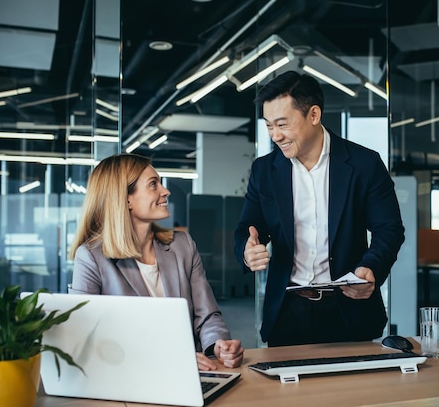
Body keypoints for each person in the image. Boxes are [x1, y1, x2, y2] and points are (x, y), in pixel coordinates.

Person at [234, 71, 405, 347]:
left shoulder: (364, 164)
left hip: (348, 307)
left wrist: (371, 267)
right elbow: (248, 228)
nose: (275, 136)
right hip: (287, 311)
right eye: (268, 126)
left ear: (313, 115)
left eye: (282, 124)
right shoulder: (264, 171)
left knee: (354, 390)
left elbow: (390, 230)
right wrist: (246, 250)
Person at [69, 153, 244, 370]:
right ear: (125, 198)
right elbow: (83, 336)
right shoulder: (91, 258)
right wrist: (169, 357)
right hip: (130, 375)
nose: (166, 191)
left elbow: (207, 315)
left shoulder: (183, 245)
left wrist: (218, 344)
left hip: (190, 373)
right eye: (154, 184)